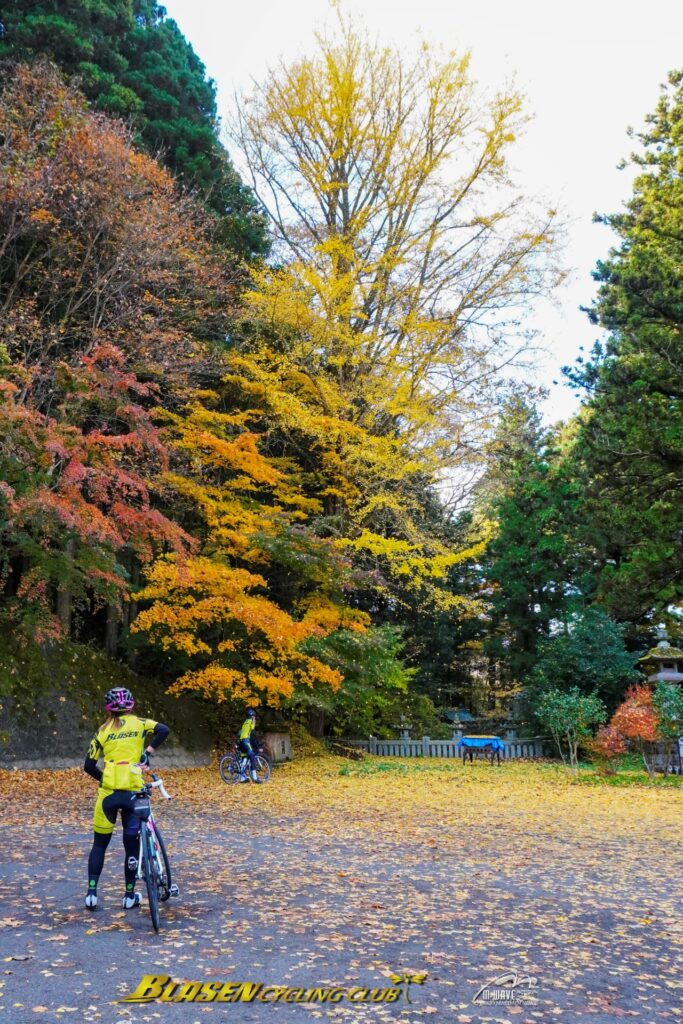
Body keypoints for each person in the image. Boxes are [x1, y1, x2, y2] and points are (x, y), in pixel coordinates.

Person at [83, 687, 170, 911]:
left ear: (108, 708)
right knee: (131, 845)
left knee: (99, 844)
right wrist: (147, 752)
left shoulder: (102, 731)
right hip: (133, 794)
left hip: (108, 795)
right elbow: (163, 730)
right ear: (131, 705)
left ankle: (91, 893)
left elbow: (88, 766)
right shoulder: (141, 723)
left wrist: (105, 778)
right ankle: (129, 896)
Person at [237, 708, 261, 783]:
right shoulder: (250, 721)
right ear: (252, 716)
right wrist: (254, 720)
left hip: (241, 741)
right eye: (254, 716)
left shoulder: (245, 722)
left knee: (245, 756)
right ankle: (255, 777)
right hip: (245, 741)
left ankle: (242, 777)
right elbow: (252, 728)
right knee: (252, 756)